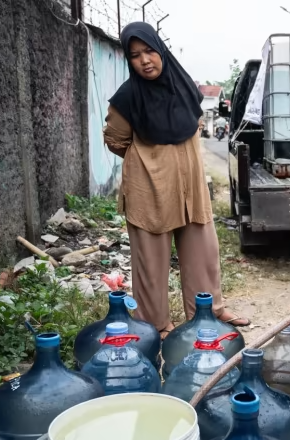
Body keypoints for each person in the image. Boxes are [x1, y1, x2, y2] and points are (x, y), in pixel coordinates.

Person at [103, 22, 250, 338]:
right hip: (149, 187)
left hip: (190, 185)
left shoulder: (184, 86)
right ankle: (157, 324)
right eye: (135, 55)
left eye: (150, 51)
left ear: (161, 49)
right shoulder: (127, 97)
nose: (145, 61)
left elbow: (195, 121)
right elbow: (115, 139)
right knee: (151, 263)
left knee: (203, 252)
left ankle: (209, 312)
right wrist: (150, 159)